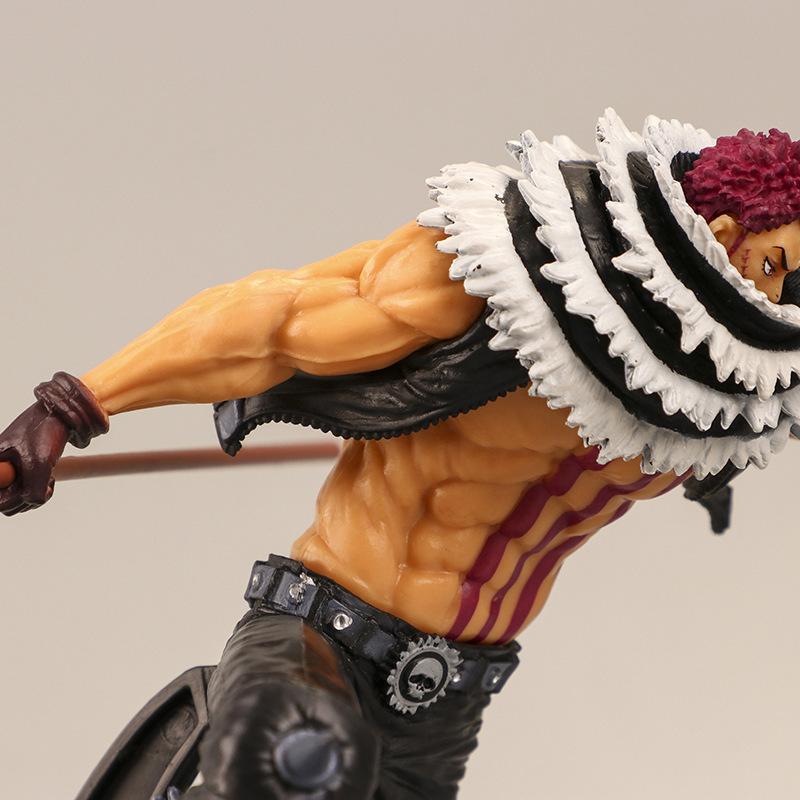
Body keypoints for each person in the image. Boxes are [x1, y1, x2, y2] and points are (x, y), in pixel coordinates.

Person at [3, 109, 800, 799]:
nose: (787, 293)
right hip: (327, 637)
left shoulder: (737, 395)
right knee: (300, 767)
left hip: (449, 701)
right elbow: (275, 323)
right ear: (722, 237)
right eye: (776, 265)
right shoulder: (513, 277)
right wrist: (73, 405)